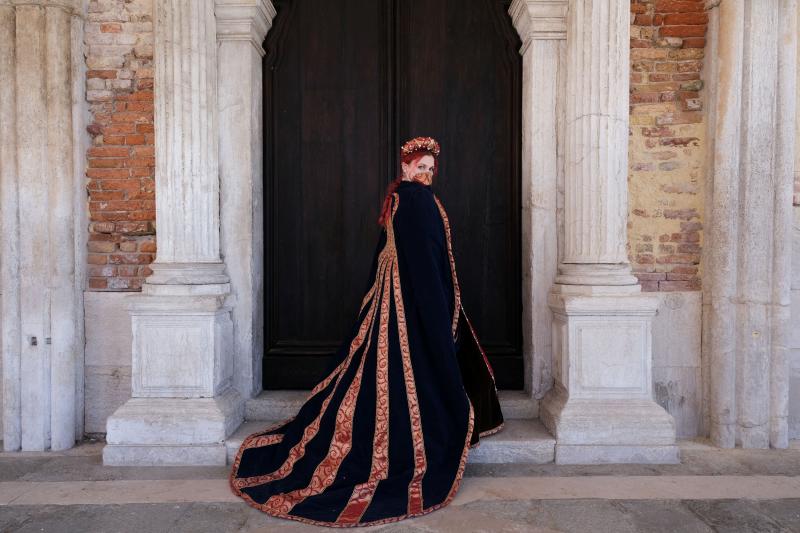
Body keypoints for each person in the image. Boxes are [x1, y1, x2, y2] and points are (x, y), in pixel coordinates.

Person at [229, 136, 504, 527]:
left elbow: (395, 258)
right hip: (411, 308)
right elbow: (426, 264)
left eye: (430, 169)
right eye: (419, 167)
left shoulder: (398, 200)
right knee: (417, 377)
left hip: (393, 307)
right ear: (406, 167)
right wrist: (438, 314)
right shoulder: (415, 202)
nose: (425, 174)